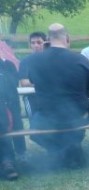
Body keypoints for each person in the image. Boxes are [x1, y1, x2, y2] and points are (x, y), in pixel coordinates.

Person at [28, 23, 89, 168]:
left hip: (47, 116)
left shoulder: (35, 60)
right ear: (67, 38)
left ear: (48, 39)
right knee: (73, 123)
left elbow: (32, 83)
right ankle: (68, 150)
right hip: (76, 117)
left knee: (34, 128)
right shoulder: (80, 59)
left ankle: (60, 151)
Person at [16, 31, 47, 160]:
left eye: (39, 42)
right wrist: (42, 82)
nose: (36, 45)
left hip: (49, 97)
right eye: (33, 43)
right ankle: (52, 148)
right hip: (32, 98)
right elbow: (24, 82)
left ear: (45, 43)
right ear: (29, 45)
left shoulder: (49, 59)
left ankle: (58, 148)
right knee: (35, 129)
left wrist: (34, 81)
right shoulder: (25, 61)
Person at [0, 57, 23, 180]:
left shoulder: (7, 66)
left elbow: (12, 88)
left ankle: (7, 161)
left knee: (3, 123)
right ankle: (7, 161)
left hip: (3, 110)